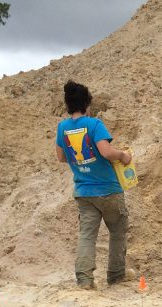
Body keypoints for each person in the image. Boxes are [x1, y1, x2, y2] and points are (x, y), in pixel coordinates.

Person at [55, 80, 133, 290]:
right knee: (117, 231)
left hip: (83, 191)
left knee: (87, 236)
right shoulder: (94, 124)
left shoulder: (62, 128)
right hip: (108, 189)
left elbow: (61, 157)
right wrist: (123, 155)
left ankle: (84, 280)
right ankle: (116, 276)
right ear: (87, 104)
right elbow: (106, 152)